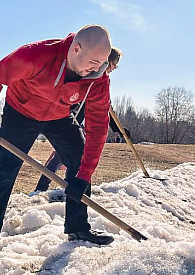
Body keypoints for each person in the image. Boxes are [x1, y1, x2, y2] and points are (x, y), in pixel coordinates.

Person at [0, 25, 114, 253]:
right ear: (76, 49)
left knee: (79, 161)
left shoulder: (98, 78)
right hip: (21, 111)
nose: (97, 69)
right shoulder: (34, 56)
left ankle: (77, 227)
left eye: (102, 63)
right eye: (93, 62)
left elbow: (98, 128)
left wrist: (84, 176)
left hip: (59, 115)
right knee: (6, 171)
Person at [34, 47, 127, 193]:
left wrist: (117, 129)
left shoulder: (102, 81)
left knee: (69, 158)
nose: (115, 67)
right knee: (60, 158)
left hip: (79, 124)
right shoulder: (89, 74)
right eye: (115, 63)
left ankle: (65, 186)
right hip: (69, 120)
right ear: (107, 61)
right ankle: (42, 188)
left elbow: (106, 109)